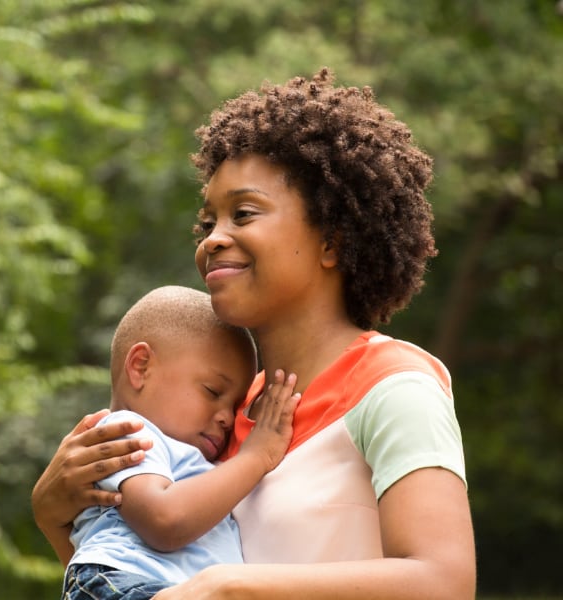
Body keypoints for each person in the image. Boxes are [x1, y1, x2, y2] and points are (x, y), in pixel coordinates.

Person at [32, 67, 476, 599]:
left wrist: (229, 587)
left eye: (243, 214)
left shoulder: (395, 386)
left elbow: (444, 583)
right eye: (208, 223)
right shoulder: (225, 417)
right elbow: (153, 575)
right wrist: (54, 517)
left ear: (331, 242)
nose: (215, 240)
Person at [60, 285, 299, 600]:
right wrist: (256, 456)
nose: (227, 417)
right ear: (141, 367)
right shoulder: (126, 432)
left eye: (236, 405)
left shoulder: (193, 458)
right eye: (213, 391)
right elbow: (164, 521)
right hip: (122, 582)